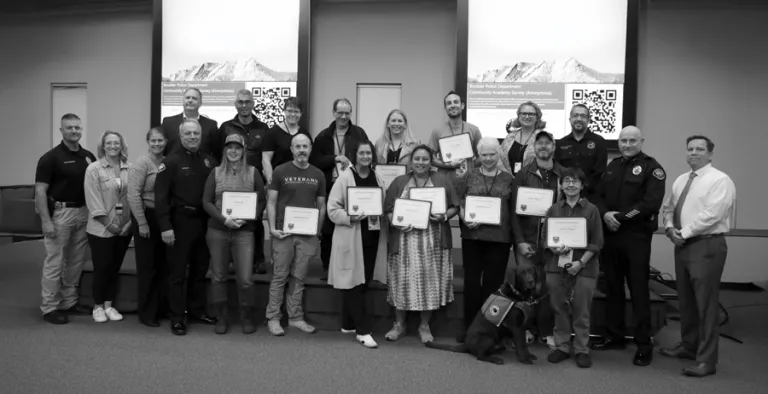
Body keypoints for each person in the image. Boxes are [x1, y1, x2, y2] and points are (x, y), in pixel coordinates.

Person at [659, 135, 736, 378]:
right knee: (686, 302)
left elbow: (713, 214)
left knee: (706, 305)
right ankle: (689, 346)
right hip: (682, 245)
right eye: (690, 149)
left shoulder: (720, 180)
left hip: (706, 245)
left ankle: (707, 360)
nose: (693, 153)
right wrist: (670, 228)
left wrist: (684, 232)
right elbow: (669, 207)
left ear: (710, 154)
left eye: (699, 149)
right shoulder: (682, 180)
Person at [590, 126, 666, 367]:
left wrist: (619, 217)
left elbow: (650, 203)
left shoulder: (652, 168)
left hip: (635, 237)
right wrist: (605, 214)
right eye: (623, 140)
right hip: (611, 236)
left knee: (639, 290)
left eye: (632, 140)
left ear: (641, 141)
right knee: (612, 287)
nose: (627, 144)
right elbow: (597, 196)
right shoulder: (612, 166)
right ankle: (615, 335)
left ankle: (644, 344)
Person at [383, 145, 459, 344]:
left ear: (431, 161)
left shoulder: (442, 180)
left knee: (430, 283)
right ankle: (399, 324)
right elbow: (388, 210)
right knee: (401, 282)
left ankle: (424, 326)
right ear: (411, 160)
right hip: (404, 241)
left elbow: (454, 207)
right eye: (417, 158)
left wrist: (444, 216)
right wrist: (397, 222)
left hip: (433, 241)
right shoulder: (399, 181)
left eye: (425, 159)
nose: (420, 162)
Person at [155, 118, 218, 336]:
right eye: (188, 134)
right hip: (179, 223)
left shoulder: (210, 161)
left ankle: (196, 310)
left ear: (201, 135)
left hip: (203, 223)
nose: (192, 137)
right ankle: (177, 317)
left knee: (200, 270)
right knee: (177, 273)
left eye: (196, 134)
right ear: (181, 136)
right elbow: (160, 197)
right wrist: (165, 226)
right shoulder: (170, 162)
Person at [34, 113, 97, 324]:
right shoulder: (50, 158)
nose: (74, 131)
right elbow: (40, 192)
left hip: (83, 213)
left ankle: (69, 302)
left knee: (76, 260)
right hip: (60, 214)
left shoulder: (88, 157)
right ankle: (49, 307)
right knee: (55, 262)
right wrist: (46, 221)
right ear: (61, 131)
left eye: (77, 128)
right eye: (69, 128)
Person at [202, 134, 267, 335]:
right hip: (218, 230)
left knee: (246, 278)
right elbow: (206, 202)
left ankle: (246, 317)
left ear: (243, 150)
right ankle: (221, 317)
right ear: (224, 150)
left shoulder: (253, 172)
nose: (233, 151)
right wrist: (224, 220)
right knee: (218, 276)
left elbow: (262, 201)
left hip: (244, 232)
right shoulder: (215, 172)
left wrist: (248, 218)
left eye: (237, 148)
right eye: (229, 147)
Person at [327, 139, 389, 348]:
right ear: (355, 156)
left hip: (371, 236)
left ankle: (348, 323)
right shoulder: (345, 178)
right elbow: (332, 208)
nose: (365, 157)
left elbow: (382, 203)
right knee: (353, 282)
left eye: (368, 153)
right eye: (362, 153)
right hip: (351, 235)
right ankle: (363, 330)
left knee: (363, 282)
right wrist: (350, 217)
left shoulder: (377, 177)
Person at [454, 137, 515, 343]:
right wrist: (464, 218)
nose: (488, 158)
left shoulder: (509, 179)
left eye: (492, 154)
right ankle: (470, 327)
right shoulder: (468, 176)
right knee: (471, 283)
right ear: (478, 156)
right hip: (473, 236)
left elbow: (513, 208)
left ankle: (490, 328)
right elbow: (460, 202)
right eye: (484, 155)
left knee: (494, 285)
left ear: (499, 155)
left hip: (500, 238)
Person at [543, 167, 604, 369]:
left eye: (575, 181)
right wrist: (555, 248)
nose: (570, 185)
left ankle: (581, 349)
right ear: (561, 185)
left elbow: (597, 242)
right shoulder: (553, 210)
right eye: (566, 181)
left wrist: (581, 262)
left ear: (582, 185)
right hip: (556, 266)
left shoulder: (591, 210)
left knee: (582, 310)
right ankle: (561, 347)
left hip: (584, 267)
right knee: (559, 308)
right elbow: (546, 238)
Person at [266, 133, 327, 336]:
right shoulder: (280, 170)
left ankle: (295, 317)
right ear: (291, 149)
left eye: (305, 146)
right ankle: (273, 318)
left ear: (310, 149)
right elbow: (272, 202)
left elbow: (321, 205)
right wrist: (273, 228)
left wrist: (317, 231)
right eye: (297, 146)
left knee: (299, 278)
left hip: (307, 235)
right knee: (279, 276)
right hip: (283, 232)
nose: (302, 150)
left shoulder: (318, 174)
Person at [510, 131, 562, 347]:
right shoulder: (523, 174)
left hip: (552, 242)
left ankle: (546, 331)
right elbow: (514, 212)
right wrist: (520, 241)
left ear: (553, 147)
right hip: (528, 241)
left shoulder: (563, 175)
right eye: (539, 143)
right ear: (534, 147)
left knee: (549, 287)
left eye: (547, 143)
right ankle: (526, 330)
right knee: (526, 287)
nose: (543, 147)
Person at [310, 98, 369, 280]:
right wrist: (335, 158)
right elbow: (315, 161)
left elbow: (367, 154)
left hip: (353, 186)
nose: (344, 116)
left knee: (352, 226)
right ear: (334, 113)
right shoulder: (324, 136)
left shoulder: (359, 133)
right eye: (340, 112)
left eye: (347, 113)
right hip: (330, 185)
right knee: (328, 228)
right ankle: (328, 266)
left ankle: (353, 266)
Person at [218, 89, 271, 275]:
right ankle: (232, 260)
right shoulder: (225, 127)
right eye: (240, 102)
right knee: (231, 220)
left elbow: (266, 158)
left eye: (247, 101)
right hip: (230, 180)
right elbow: (220, 155)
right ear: (235, 104)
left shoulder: (263, 128)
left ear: (253, 104)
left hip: (253, 181)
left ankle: (258, 259)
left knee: (255, 221)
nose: (244, 105)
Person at [84, 131, 133, 323]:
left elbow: (133, 198)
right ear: (103, 146)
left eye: (117, 143)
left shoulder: (130, 168)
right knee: (102, 268)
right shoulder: (94, 169)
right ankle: (97, 306)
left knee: (114, 268)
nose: (113, 146)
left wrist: (128, 224)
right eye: (109, 143)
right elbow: (93, 200)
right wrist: (109, 224)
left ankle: (108, 305)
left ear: (122, 146)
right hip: (101, 229)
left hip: (124, 228)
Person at [127, 127, 168, 327]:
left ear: (166, 141)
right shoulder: (141, 163)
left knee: (162, 266)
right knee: (147, 267)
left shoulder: (166, 162)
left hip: (162, 218)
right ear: (148, 142)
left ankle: (159, 308)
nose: (157, 144)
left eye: (160, 140)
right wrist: (142, 222)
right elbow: (133, 195)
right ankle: (146, 313)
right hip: (146, 218)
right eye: (153, 141)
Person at [428, 91, 482, 183]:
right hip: (444, 179)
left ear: (462, 106)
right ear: (445, 108)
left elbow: (482, 156)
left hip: (469, 179)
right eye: (449, 103)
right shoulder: (437, 131)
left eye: (456, 102)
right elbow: (430, 157)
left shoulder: (474, 130)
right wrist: (449, 165)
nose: (452, 105)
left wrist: (469, 165)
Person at [554, 104, 607, 199]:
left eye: (583, 116)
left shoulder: (599, 142)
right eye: (575, 115)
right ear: (570, 119)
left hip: (591, 197)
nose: (579, 119)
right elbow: (558, 170)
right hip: (566, 196)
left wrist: (581, 188)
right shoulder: (560, 143)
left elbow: (599, 172)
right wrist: (570, 188)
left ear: (588, 120)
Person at [263, 97, 312, 185]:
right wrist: (271, 182)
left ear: (301, 113)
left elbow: (310, 159)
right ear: (284, 111)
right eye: (289, 111)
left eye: (296, 111)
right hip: (279, 181)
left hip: (300, 180)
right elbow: (266, 160)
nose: (293, 114)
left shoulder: (305, 134)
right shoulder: (272, 133)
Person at [162, 88, 220, 161]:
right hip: (173, 168)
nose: (190, 100)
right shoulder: (168, 123)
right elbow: (163, 150)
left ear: (200, 103)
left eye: (194, 98)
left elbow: (216, 152)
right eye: (187, 98)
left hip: (202, 169)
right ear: (183, 101)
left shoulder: (211, 125)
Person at [500, 101, 547, 175]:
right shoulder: (510, 137)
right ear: (518, 116)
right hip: (509, 182)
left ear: (537, 117)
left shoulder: (544, 138)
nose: (527, 116)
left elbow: (547, 164)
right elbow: (501, 160)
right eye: (524, 113)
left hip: (532, 183)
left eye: (531, 114)